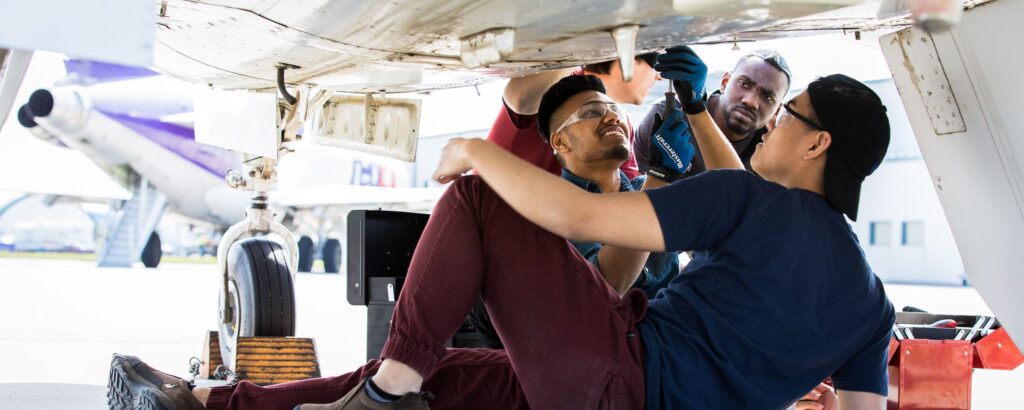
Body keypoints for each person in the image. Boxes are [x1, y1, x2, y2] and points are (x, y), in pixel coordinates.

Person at [109, 58, 894, 409]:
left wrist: (474, 152)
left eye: (787, 114)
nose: (771, 123)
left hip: (614, 374)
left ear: (817, 143)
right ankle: (210, 406)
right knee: (444, 375)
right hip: (602, 361)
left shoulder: (750, 204)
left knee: (480, 201)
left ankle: (383, 397)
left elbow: (581, 219)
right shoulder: (871, 304)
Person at [487, 52, 661, 179]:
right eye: (654, 63)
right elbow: (521, 99)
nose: (659, 77)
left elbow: (625, 196)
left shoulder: (619, 123)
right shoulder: (557, 87)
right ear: (625, 55)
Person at [635, 47, 791, 179]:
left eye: (768, 97)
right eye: (744, 84)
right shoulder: (667, 116)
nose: (750, 101)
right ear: (724, 83)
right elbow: (641, 199)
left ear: (777, 110)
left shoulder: (769, 149)